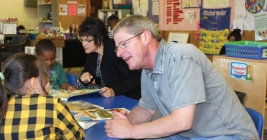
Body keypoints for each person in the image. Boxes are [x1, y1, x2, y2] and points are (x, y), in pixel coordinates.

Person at [105, 15, 259, 139]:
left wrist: (131, 131)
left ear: (145, 36)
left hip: (228, 135)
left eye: (123, 44)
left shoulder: (181, 57)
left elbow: (182, 121)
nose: (118, 54)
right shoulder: (147, 70)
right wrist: (124, 123)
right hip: (189, 135)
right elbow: (146, 109)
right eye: (117, 48)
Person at [0, 53, 85, 140]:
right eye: (47, 79)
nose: (49, 84)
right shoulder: (53, 105)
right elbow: (77, 137)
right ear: (34, 83)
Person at [75, 17, 141, 100]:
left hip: (127, 97)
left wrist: (114, 91)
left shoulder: (115, 51)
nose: (83, 44)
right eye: (82, 40)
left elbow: (135, 78)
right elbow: (81, 84)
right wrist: (82, 80)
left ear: (99, 38)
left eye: (87, 40)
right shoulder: (93, 53)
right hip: (107, 97)